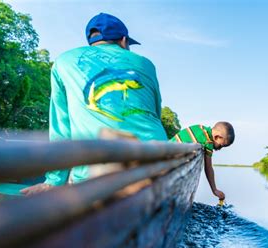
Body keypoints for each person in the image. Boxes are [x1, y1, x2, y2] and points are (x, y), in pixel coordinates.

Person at [22, 13, 167, 195]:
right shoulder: (146, 64)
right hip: (155, 165)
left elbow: (61, 127)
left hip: (94, 173)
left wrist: (54, 181)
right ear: (123, 41)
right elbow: (155, 112)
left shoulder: (63, 62)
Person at [170, 122, 235, 200]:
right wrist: (214, 190)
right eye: (221, 145)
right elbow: (208, 168)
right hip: (171, 161)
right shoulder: (208, 142)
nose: (220, 148)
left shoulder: (199, 127)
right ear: (217, 137)